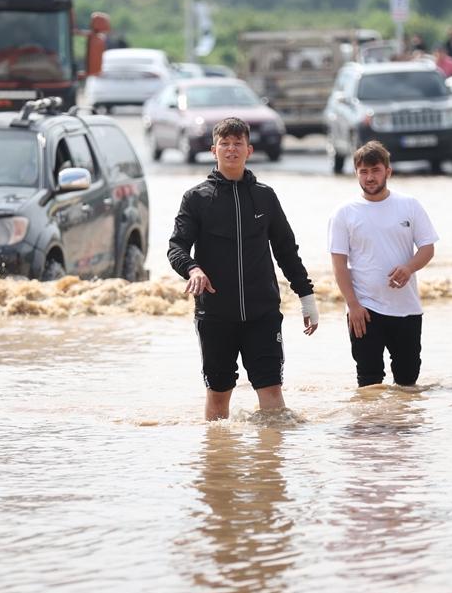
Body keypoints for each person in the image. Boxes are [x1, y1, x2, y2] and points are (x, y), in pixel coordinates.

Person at [168, 117, 319, 421]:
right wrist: (193, 269)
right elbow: (176, 247)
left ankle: (270, 464)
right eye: (225, 143)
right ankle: (218, 461)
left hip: (262, 314)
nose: (231, 149)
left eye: (238, 143)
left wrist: (307, 297)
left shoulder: (265, 196)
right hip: (215, 315)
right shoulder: (196, 198)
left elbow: (287, 251)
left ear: (249, 150)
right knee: (218, 394)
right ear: (214, 150)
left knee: (272, 392)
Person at [328, 141, 437, 388]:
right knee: (369, 382)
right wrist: (353, 304)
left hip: (406, 308)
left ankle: (401, 425)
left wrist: (409, 268)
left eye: (375, 170)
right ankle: (372, 427)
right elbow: (338, 263)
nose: (369, 177)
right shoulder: (344, 212)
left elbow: (428, 248)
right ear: (356, 173)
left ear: (388, 171)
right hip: (365, 309)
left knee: (408, 381)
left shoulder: (409, 204)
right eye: (363, 171)